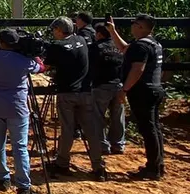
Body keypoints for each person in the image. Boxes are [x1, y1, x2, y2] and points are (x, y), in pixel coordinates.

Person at [0, 28, 42, 194]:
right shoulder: (23, 60)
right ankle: (23, 188)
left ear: (1, 42)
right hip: (17, 108)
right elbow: (41, 67)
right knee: (20, 147)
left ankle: (2, 179)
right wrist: (32, 53)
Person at [44, 17, 107, 180]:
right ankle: (98, 166)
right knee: (90, 130)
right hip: (85, 92)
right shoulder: (81, 39)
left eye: (54, 30)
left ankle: (62, 163)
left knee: (67, 129)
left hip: (67, 93)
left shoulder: (57, 46)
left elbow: (46, 66)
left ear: (59, 30)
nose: (53, 33)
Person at [108, 14, 165, 181]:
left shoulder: (140, 46)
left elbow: (137, 69)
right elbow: (125, 49)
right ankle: (158, 164)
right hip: (154, 89)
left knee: (148, 130)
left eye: (134, 23)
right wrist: (113, 31)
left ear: (141, 27)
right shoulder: (153, 43)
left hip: (142, 92)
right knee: (154, 128)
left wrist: (124, 89)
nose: (132, 25)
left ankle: (152, 168)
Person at [91, 23, 127, 155]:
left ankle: (102, 145)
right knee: (118, 116)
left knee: (98, 116)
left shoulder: (95, 47)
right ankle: (118, 144)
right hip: (119, 85)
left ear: (99, 34)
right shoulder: (120, 47)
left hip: (101, 85)